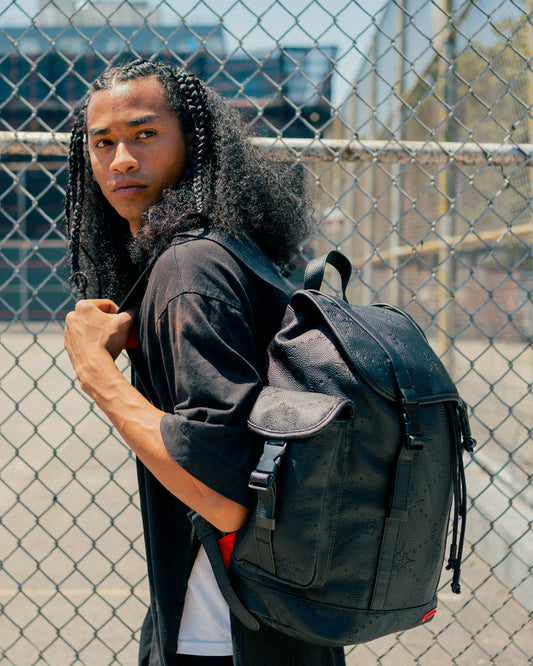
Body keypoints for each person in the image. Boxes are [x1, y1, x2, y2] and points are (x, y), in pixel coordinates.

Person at [63, 59, 346, 666]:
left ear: (193, 141)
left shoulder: (189, 268)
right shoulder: (227, 250)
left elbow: (222, 496)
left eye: (145, 134)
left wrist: (96, 375)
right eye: (103, 143)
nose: (121, 161)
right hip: (280, 615)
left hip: (222, 635)